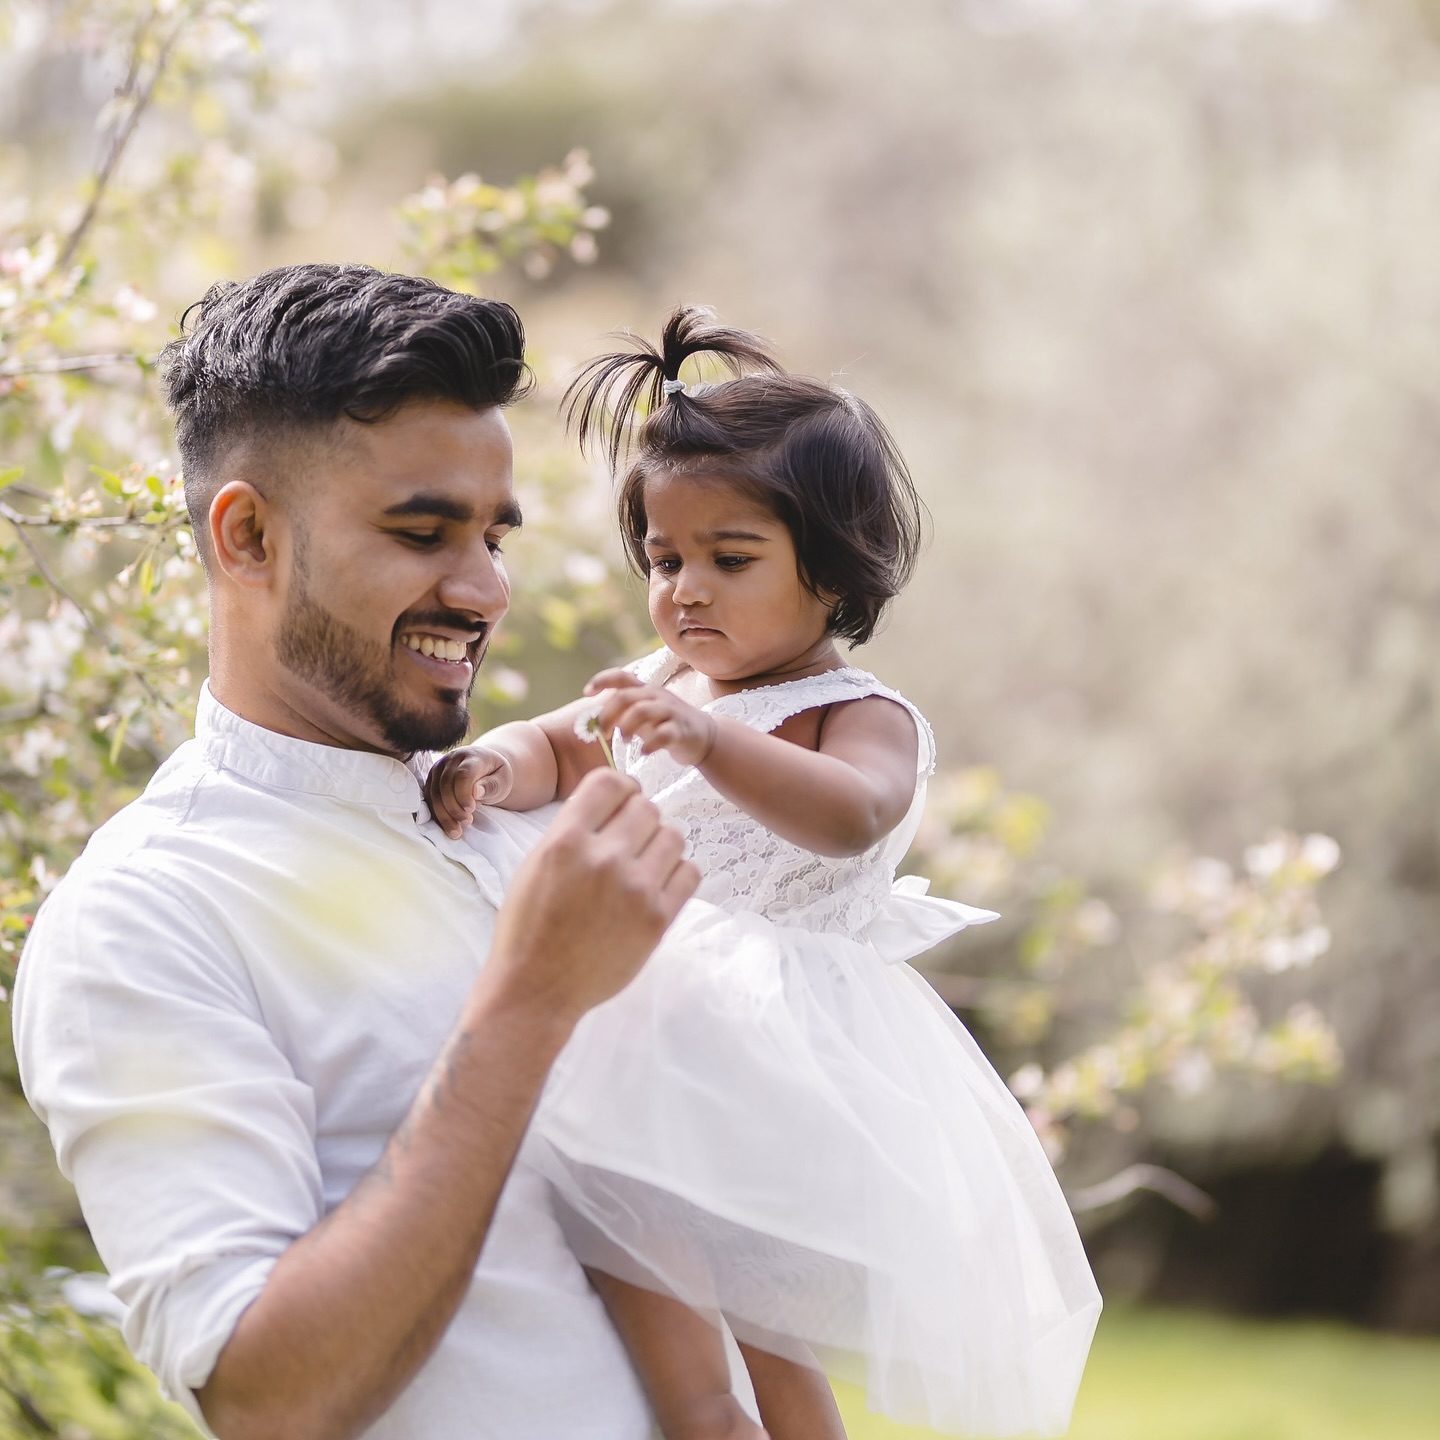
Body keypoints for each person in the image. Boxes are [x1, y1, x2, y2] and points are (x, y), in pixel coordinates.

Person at [11, 263, 702, 1440]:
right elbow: (271, 1399)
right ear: (247, 539)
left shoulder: (540, 818)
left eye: (494, 535)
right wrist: (530, 1006)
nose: (486, 589)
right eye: (423, 531)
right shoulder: (144, 917)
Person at [424, 308, 1103, 1440]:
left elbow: (854, 817)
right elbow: (555, 741)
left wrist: (705, 744)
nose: (687, 590)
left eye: (730, 561)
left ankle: (759, 1420)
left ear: (833, 574)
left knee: (760, 1309)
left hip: (769, 1036)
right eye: (665, 560)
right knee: (640, 1227)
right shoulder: (664, 680)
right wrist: (487, 769)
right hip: (654, 1010)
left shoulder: (855, 714)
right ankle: (702, 1414)